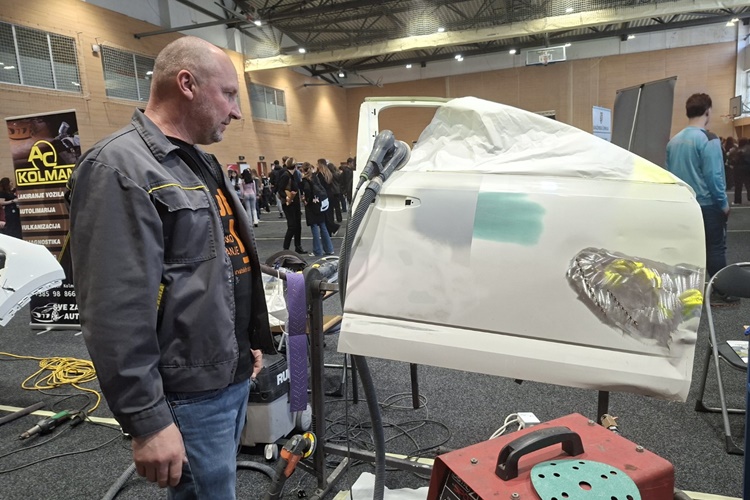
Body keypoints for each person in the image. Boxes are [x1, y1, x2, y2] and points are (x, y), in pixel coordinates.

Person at [67, 36, 275, 499]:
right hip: (187, 393)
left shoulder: (200, 163)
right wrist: (147, 420)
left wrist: (245, 344)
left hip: (229, 374)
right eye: (229, 94)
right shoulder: (118, 168)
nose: (236, 112)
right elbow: (114, 310)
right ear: (187, 84)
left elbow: (216, 269)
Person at [666, 93, 737, 304]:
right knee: (715, 248)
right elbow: (714, 176)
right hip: (707, 205)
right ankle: (722, 292)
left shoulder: (673, 141)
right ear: (707, 111)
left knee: (687, 249)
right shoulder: (709, 139)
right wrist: (723, 204)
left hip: (683, 204)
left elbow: (669, 175)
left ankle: (684, 293)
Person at [300, 162, 334, 256]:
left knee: (314, 227)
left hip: (312, 205)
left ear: (303, 170)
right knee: (323, 226)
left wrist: (306, 200)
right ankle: (329, 249)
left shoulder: (305, 180)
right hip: (320, 203)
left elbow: (307, 190)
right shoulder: (315, 177)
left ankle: (317, 251)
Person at [277, 157, 305, 253]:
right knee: (292, 226)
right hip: (289, 204)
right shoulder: (286, 175)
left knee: (298, 225)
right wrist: (287, 197)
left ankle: (298, 246)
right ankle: (286, 248)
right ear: (295, 166)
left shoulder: (292, 175)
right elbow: (280, 190)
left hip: (295, 203)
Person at [316, 158, 340, 236]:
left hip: (324, 195)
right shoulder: (328, 173)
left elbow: (320, 186)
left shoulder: (320, 174)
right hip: (330, 194)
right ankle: (330, 230)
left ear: (320, 164)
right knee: (330, 213)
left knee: (325, 215)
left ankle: (333, 227)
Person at [729, 137, 750, 206]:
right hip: (748, 169)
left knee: (738, 186)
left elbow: (733, 160)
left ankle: (737, 201)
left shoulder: (736, 150)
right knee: (748, 185)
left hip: (738, 170)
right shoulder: (748, 149)